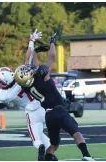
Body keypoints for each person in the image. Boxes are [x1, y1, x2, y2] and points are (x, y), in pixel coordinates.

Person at [14, 32, 94, 161]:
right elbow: (51, 57)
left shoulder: (26, 86)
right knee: (76, 133)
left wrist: (34, 51)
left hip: (48, 115)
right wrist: (52, 42)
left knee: (54, 144)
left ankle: (46, 157)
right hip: (59, 110)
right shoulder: (43, 78)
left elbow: (29, 62)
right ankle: (86, 155)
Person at [0, 30, 50, 161]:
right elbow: (28, 58)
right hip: (42, 106)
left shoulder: (7, 94)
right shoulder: (21, 76)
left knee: (36, 139)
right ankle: (51, 154)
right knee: (43, 135)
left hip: (31, 112)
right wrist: (31, 41)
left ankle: (40, 148)